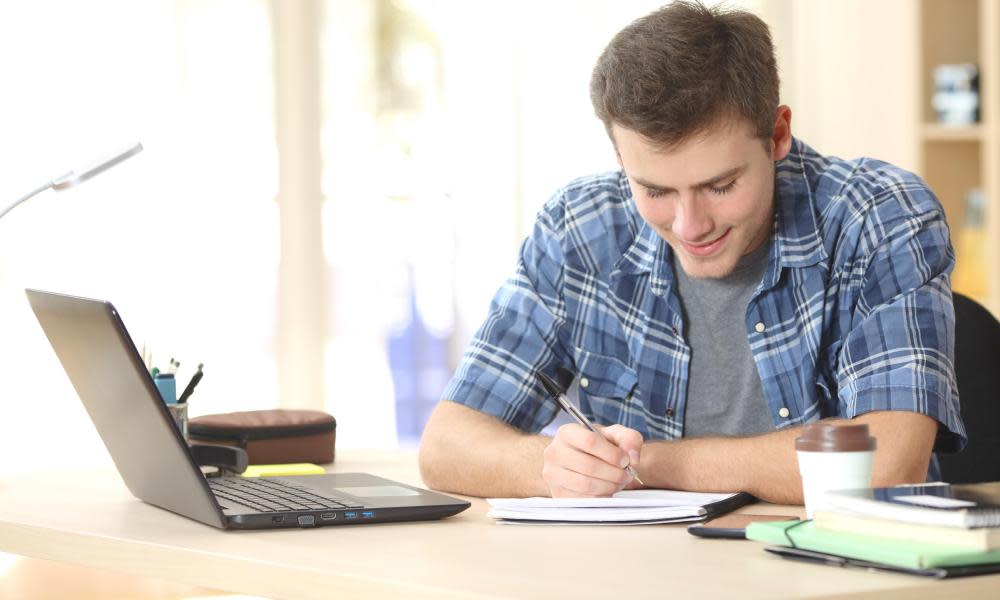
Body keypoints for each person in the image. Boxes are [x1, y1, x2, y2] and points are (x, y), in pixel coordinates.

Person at [418, 1, 965, 503]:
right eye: (655, 191)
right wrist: (550, 465)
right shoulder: (579, 229)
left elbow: (886, 463)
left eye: (720, 186)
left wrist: (647, 463)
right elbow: (446, 446)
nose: (690, 225)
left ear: (778, 135)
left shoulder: (879, 216)